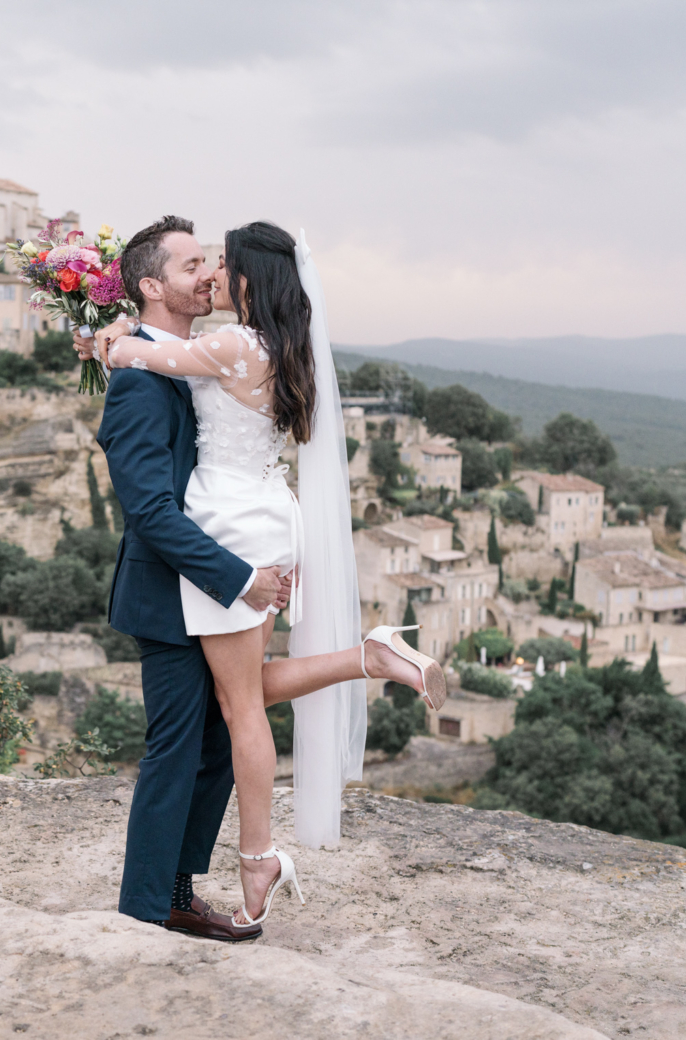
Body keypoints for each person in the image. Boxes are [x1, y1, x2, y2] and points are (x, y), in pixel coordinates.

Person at [87, 218, 447, 930]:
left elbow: (149, 363)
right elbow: (149, 511)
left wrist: (112, 340)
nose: (210, 273)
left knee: (222, 731)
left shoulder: (197, 351)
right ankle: (156, 902)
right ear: (156, 285)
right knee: (197, 738)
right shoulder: (165, 371)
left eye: (215, 262)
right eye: (194, 264)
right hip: (185, 579)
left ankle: (181, 891)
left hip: (230, 546)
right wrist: (234, 577)